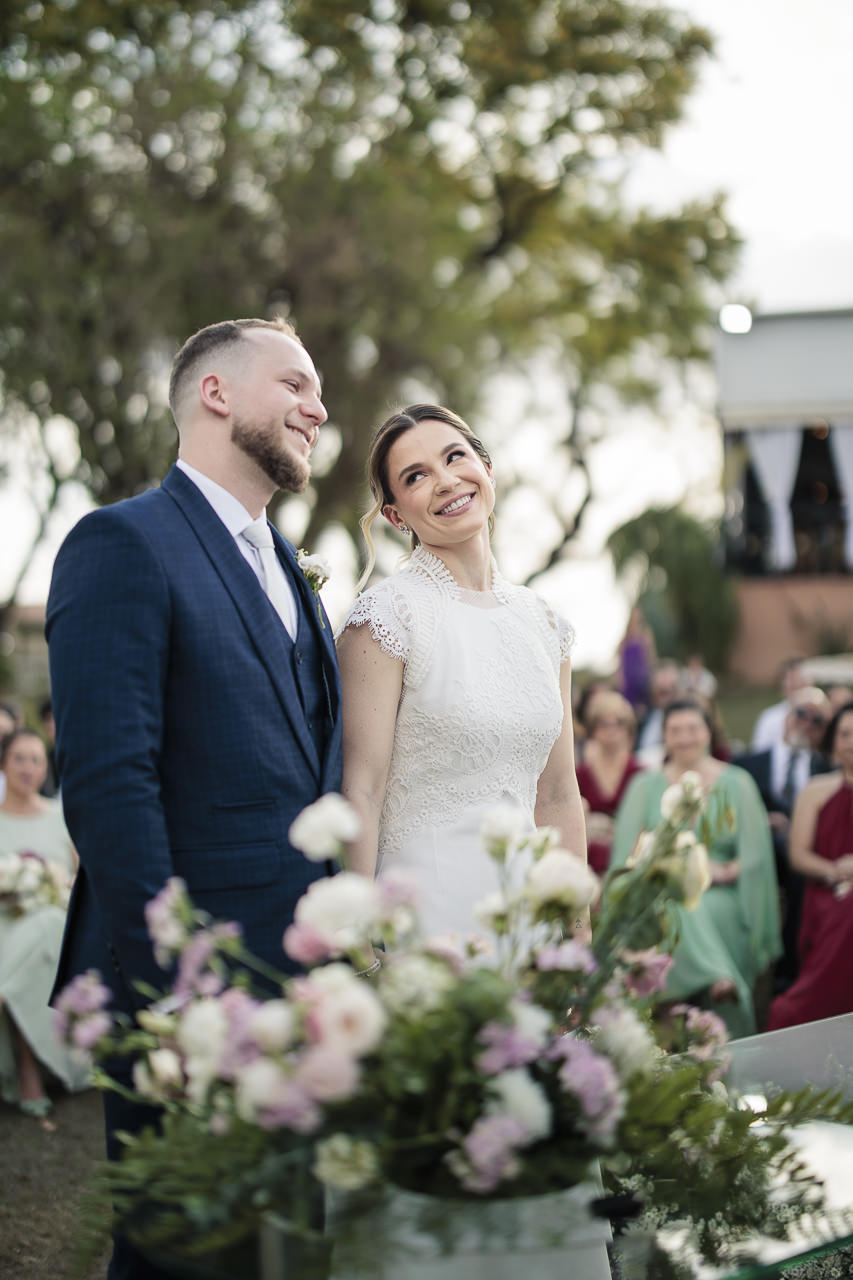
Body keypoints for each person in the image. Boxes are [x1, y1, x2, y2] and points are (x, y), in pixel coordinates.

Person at [46, 316, 341, 1280]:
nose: (318, 408)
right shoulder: (123, 542)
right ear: (216, 393)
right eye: (295, 384)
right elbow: (110, 786)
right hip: (191, 995)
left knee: (284, 1253)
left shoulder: (290, 568)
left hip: (299, 987)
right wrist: (178, 991)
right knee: (184, 1257)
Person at [336, 404, 588, 941]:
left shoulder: (546, 624)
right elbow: (361, 789)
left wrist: (576, 935)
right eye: (416, 476)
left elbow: (558, 794)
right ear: (395, 516)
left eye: (455, 457)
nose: (446, 481)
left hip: (529, 923)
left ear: (486, 469)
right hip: (425, 920)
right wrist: (356, 944)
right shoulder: (385, 617)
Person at [611, 700, 782, 1039]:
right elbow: (625, 856)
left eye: (693, 728)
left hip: (723, 895)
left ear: (709, 732)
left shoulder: (738, 783)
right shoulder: (644, 785)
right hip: (658, 894)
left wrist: (723, 871)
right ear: (664, 736)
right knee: (673, 904)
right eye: (675, 730)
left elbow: (755, 856)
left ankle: (677, 1009)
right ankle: (718, 978)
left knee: (685, 908)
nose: (684, 737)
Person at [0, 729, 88, 1116]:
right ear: (3, 764)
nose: (28, 767)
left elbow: (81, 878)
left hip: (56, 923)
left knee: (48, 925)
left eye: (36, 760)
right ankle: (27, 1067)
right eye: (19, 758)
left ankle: (29, 1067)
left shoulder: (60, 817)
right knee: (35, 936)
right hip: (5, 925)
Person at [735, 687, 832, 989]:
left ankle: (791, 971)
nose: (807, 723)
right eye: (802, 713)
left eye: (817, 720)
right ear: (787, 716)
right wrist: (760, 820)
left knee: (803, 872)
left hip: (802, 855)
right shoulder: (748, 763)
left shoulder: (827, 769)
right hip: (756, 849)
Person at [767, 701, 853, 1029]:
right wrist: (836, 872)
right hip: (827, 893)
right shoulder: (816, 790)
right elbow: (798, 854)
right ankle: (806, 1008)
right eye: (844, 734)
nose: (851, 741)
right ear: (833, 741)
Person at [575, 690, 644, 877]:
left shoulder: (640, 773)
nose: (611, 729)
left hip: (629, 863)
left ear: (628, 728)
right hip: (587, 862)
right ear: (593, 728)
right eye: (603, 723)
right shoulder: (580, 774)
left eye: (618, 723)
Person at [751, 656, 806, 751]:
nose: (796, 684)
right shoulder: (769, 718)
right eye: (791, 679)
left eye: (800, 679)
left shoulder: (821, 716)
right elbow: (759, 751)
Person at [634, 660, 681, 766]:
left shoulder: (686, 718)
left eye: (669, 688)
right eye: (660, 689)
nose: (664, 688)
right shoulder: (644, 715)